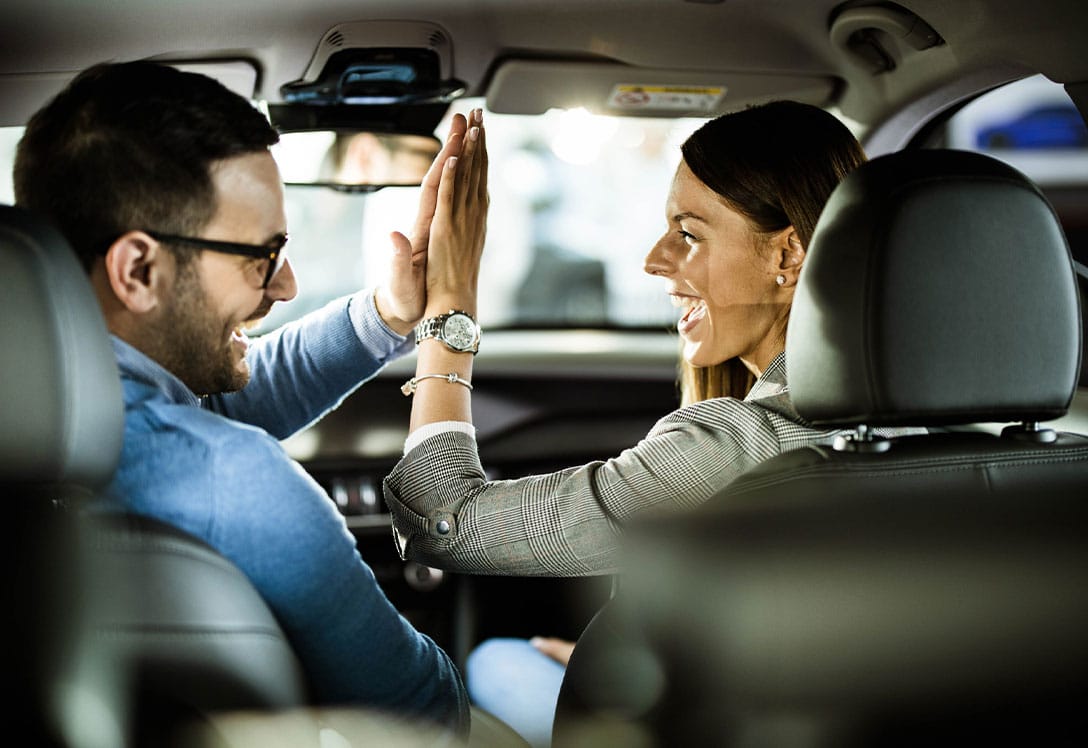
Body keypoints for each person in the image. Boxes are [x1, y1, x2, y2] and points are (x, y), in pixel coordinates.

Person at [383, 99, 924, 745]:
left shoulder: (734, 449)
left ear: (789, 254)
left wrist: (449, 309)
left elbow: (440, 518)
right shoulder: (1021, 450)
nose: (654, 259)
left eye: (688, 234)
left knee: (497, 661)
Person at [13, 60, 483, 736]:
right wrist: (451, 316)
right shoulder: (234, 484)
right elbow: (427, 718)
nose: (286, 286)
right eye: (261, 256)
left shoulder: (69, 428)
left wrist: (388, 313)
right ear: (138, 270)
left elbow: (209, 404)